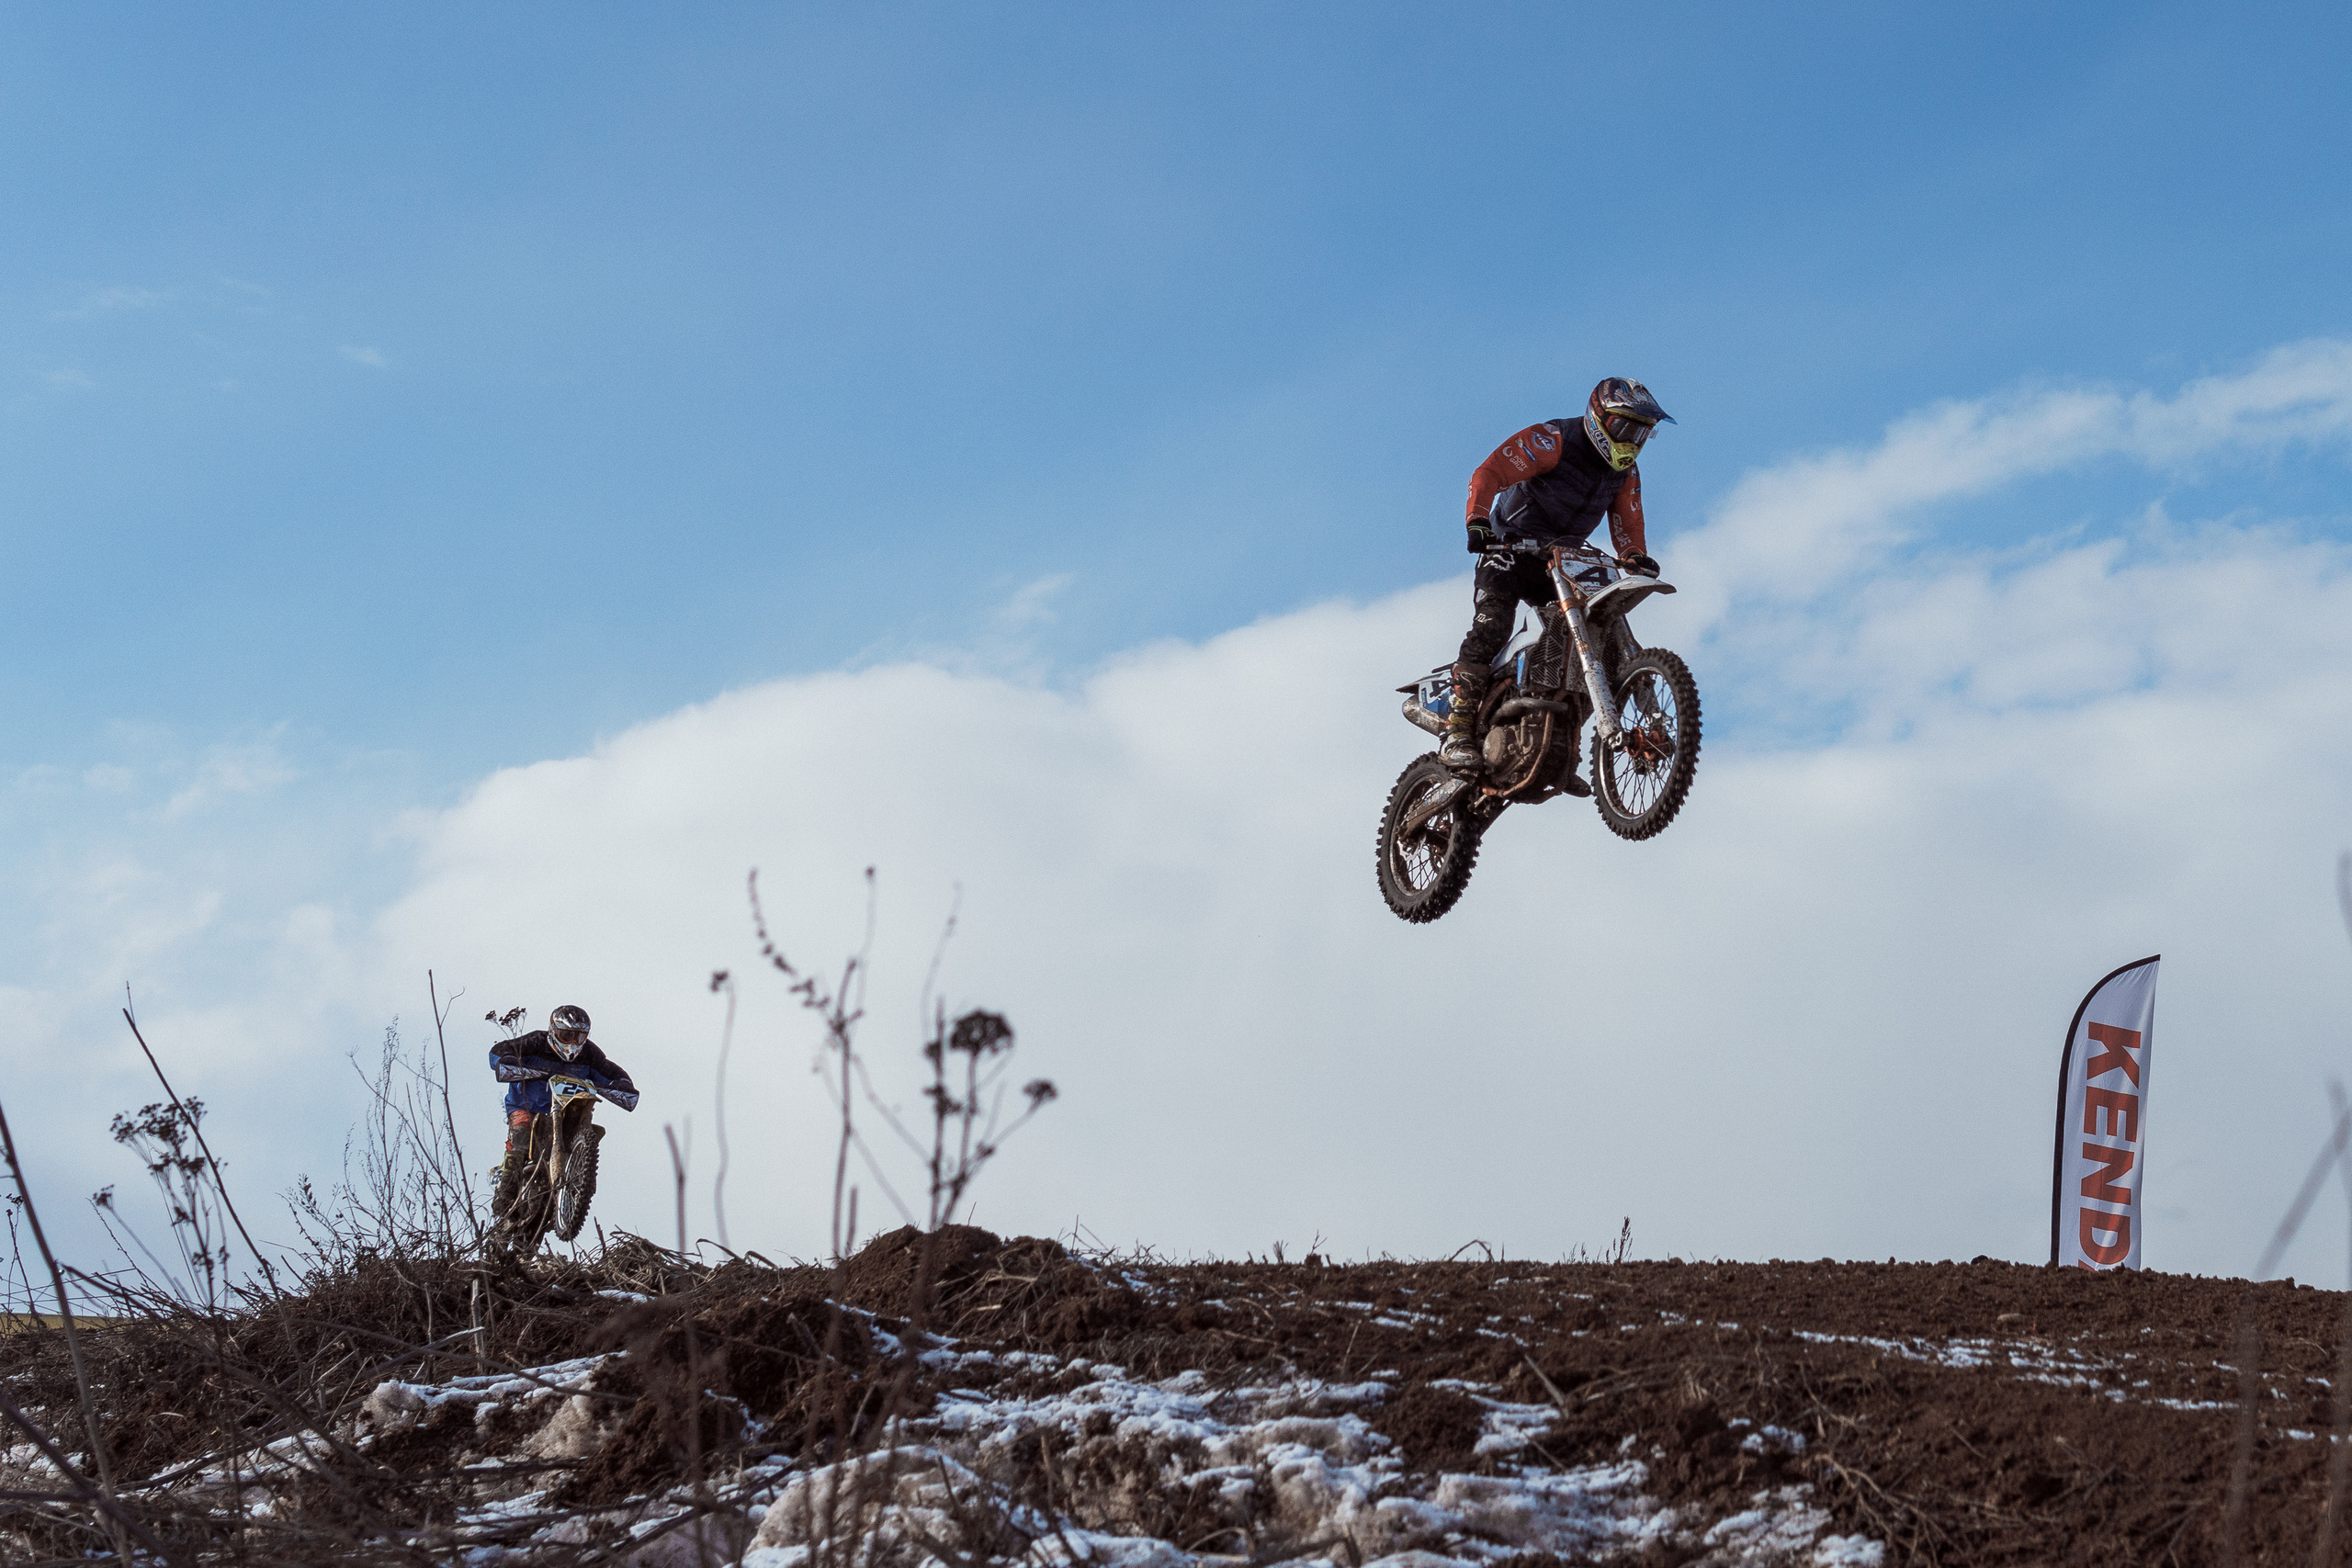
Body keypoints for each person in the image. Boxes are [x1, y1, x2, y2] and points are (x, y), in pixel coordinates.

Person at [1441, 378, 1676, 775]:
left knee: (1597, 636)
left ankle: (1565, 746)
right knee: (1493, 625)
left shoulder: (1625, 473)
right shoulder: (1554, 440)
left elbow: (1629, 522)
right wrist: (1478, 520)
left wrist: (1634, 557)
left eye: (1642, 432)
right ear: (1599, 418)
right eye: (1625, 427)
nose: (1633, 440)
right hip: (1508, 548)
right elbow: (1490, 472)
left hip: (1559, 561)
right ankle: (1458, 732)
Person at [489, 1004, 639, 1221]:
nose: (571, 1042)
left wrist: (624, 1085)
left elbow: (612, 1072)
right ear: (553, 1031)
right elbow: (498, 1051)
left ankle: (579, 1181)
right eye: (566, 1035)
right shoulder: (535, 1043)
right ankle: (505, 1193)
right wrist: (507, 1061)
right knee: (522, 1132)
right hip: (527, 1107)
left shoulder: (589, 1054)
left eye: (578, 1037)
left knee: (584, 1130)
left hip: (568, 1110)